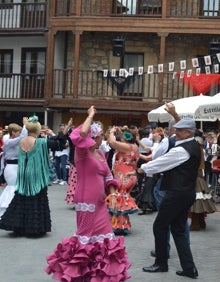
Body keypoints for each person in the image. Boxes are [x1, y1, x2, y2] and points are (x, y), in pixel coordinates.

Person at [45, 106, 131, 281]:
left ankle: (99, 274)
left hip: (100, 202)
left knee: (105, 238)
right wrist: (90, 115)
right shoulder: (82, 151)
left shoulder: (99, 153)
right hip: (86, 200)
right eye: (100, 136)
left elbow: (108, 175)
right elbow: (80, 134)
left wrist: (113, 195)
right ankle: (76, 273)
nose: (102, 139)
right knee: (85, 237)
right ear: (94, 137)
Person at [139, 118, 201, 279]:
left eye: (179, 130)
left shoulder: (181, 150)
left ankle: (161, 263)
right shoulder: (193, 145)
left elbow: (161, 163)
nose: (176, 132)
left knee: (159, 226)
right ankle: (189, 268)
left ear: (188, 132)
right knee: (179, 230)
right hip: (186, 193)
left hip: (177, 194)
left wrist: (141, 169)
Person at [0, 115, 66, 237]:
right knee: (36, 199)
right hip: (36, 174)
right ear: (37, 130)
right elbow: (60, 145)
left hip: (23, 173)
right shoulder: (40, 142)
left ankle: (19, 226)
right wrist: (59, 133)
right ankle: (34, 229)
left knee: (22, 198)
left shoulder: (21, 141)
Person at [106, 126, 139, 235]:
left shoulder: (126, 147)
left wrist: (112, 132)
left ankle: (118, 226)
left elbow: (112, 142)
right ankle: (123, 224)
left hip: (123, 177)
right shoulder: (134, 146)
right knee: (122, 200)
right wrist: (120, 133)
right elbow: (123, 142)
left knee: (118, 200)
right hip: (129, 176)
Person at [189, 129, 217, 231]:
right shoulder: (200, 145)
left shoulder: (196, 145)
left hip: (196, 174)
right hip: (200, 174)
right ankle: (200, 221)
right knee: (200, 198)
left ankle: (195, 223)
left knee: (196, 199)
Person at [0, 118, 28, 218]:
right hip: (11, 168)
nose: (19, 133)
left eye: (20, 131)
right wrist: (25, 125)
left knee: (16, 188)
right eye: (18, 132)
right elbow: (22, 137)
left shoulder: (14, 141)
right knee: (12, 188)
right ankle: (7, 211)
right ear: (13, 132)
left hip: (17, 167)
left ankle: (14, 211)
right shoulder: (7, 141)